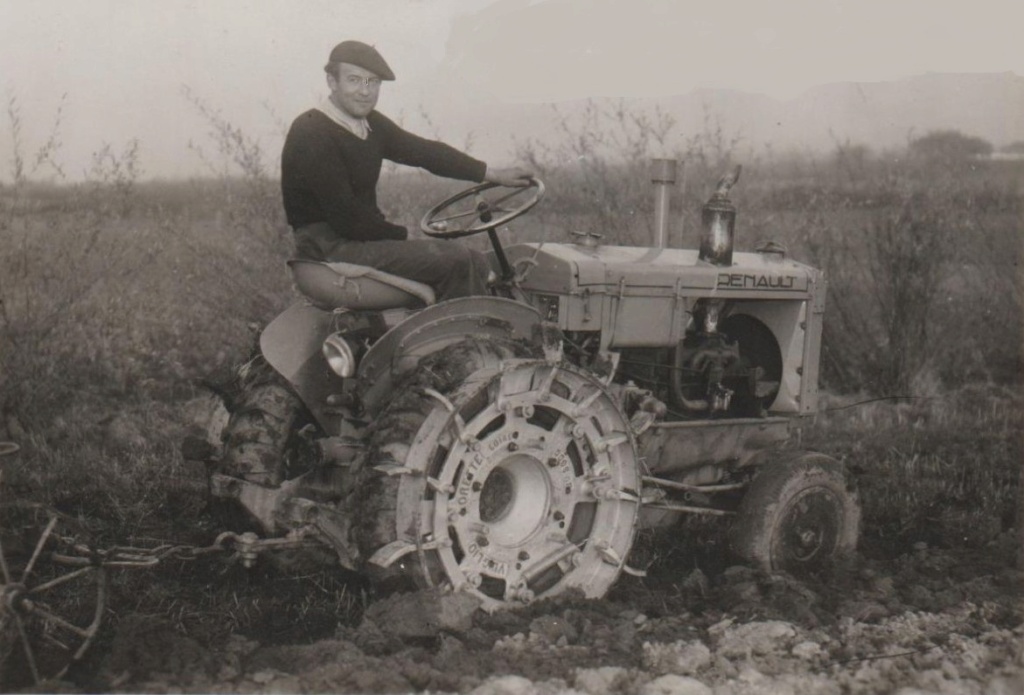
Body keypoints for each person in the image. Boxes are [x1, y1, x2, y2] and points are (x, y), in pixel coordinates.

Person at [281, 40, 532, 300]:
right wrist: (404, 236)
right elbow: (346, 216)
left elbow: (425, 152)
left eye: (373, 82)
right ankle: (468, 339)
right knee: (456, 260)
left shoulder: (369, 124)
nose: (365, 92)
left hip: (356, 240)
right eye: (354, 80)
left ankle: (473, 331)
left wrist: (491, 173)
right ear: (332, 82)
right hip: (329, 248)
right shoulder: (311, 131)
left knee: (477, 261)